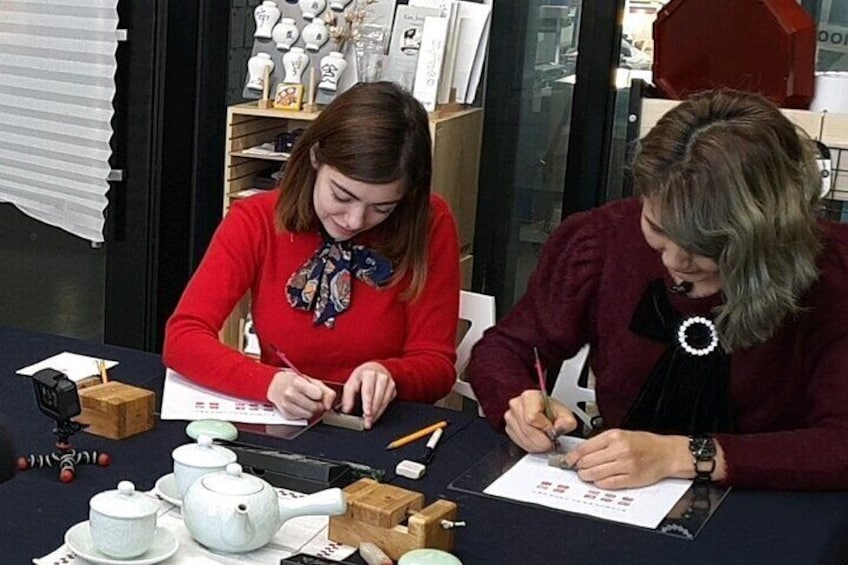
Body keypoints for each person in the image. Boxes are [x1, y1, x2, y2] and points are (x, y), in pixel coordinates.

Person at [467, 88, 848, 490]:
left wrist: (678, 456)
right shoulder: (605, 241)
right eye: (658, 230)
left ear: (767, 236)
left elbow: (840, 445)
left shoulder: (832, 272)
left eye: (706, 246)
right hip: (623, 495)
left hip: (773, 506)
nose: (674, 261)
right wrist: (519, 399)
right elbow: (503, 350)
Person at [164, 82, 460, 429]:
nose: (355, 221)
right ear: (315, 157)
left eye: (382, 208)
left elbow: (438, 366)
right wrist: (269, 383)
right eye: (342, 195)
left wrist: (392, 374)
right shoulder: (257, 219)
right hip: (283, 420)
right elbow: (183, 337)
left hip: (382, 430)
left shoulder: (428, 223)